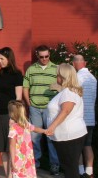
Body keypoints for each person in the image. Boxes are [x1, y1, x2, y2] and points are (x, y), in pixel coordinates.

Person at [45, 63, 87, 178]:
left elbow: (65, 111)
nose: (56, 77)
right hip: (66, 135)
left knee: (70, 167)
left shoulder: (68, 92)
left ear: (63, 76)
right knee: (69, 167)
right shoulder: (68, 91)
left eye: (58, 75)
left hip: (69, 136)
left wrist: (52, 127)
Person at [23, 45, 60, 175]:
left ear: (49, 55)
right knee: (34, 136)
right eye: (41, 57)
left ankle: (54, 165)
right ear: (37, 56)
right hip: (35, 107)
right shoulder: (31, 69)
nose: (44, 59)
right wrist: (29, 104)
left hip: (51, 109)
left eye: (47, 56)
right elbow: (25, 88)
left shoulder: (56, 69)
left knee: (51, 136)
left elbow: (62, 88)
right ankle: (35, 164)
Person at [0, 46, 24, 176]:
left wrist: (16, 116)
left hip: (9, 114)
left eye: (1, 58)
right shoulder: (1, 73)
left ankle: (12, 174)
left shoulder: (17, 74)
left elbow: (18, 98)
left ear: (9, 59)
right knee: (1, 148)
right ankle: (7, 175)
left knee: (11, 147)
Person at [73, 55, 97, 178]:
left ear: (74, 63)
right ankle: (89, 171)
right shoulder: (93, 78)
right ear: (85, 63)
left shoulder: (76, 78)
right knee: (88, 145)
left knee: (77, 146)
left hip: (79, 117)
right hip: (90, 118)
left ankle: (81, 171)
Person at [8, 100, 46, 178]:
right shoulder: (25, 124)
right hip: (27, 157)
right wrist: (45, 131)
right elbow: (35, 128)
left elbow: (12, 146)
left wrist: (12, 161)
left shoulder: (15, 127)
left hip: (19, 158)